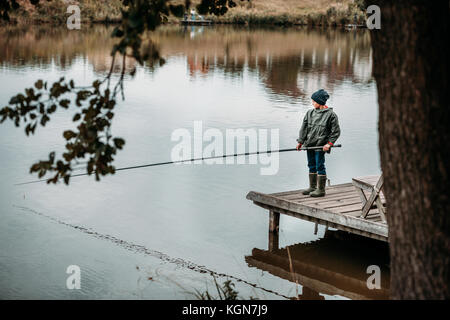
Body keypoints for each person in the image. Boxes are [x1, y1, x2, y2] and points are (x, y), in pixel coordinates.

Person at [296, 89, 341, 197]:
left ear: (320, 102)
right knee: (311, 165)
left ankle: (321, 190)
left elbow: (336, 132)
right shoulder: (309, 113)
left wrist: (329, 144)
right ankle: (312, 187)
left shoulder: (331, 115)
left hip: (321, 146)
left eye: (313, 101)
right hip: (309, 145)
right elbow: (304, 128)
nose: (312, 103)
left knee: (319, 165)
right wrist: (300, 142)